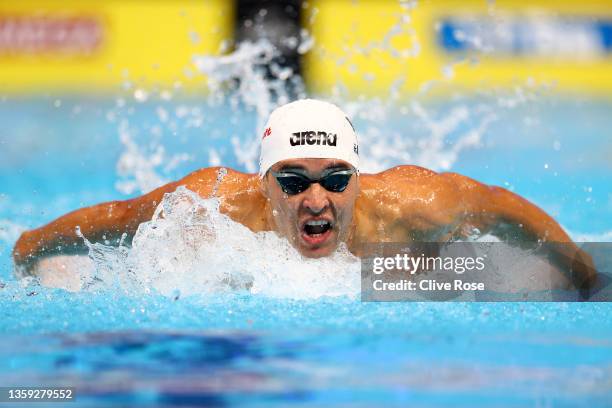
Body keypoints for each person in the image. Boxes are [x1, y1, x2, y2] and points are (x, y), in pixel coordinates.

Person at [12, 99, 597, 291]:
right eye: (293, 181)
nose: (315, 198)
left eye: (335, 179)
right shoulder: (216, 204)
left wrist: (586, 274)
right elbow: (120, 216)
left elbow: (500, 204)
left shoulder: (415, 205)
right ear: (264, 183)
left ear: (358, 180)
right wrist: (29, 246)